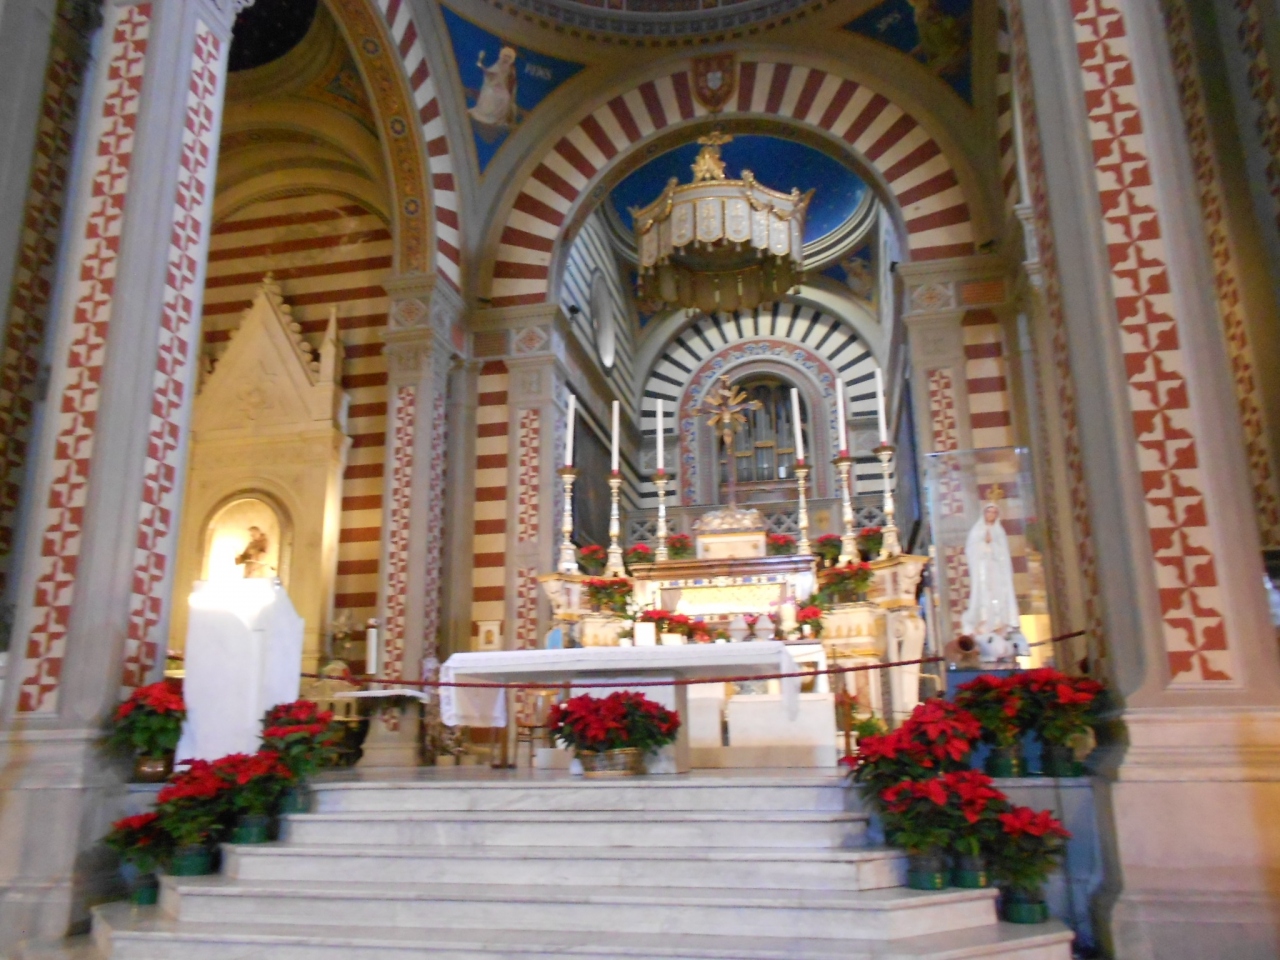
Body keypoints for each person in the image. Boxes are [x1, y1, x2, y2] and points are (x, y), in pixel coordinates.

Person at [960, 502, 1020, 644]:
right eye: (989, 512)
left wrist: (993, 546)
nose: (991, 515)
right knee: (983, 594)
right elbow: (971, 549)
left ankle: (1000, 622)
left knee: (998, 595)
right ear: (984, 513)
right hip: (982, 570)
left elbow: (1004, 553)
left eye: (994, 513)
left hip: (996, 570)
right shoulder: (977, 530)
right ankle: (983, 620)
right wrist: (983, 545)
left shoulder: (999, 532)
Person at [469, 46, 518, 133]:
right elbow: (491, 74)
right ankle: (485, 113)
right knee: (490, 92)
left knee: (505, 97)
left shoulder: (510, 69)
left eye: (509, 57)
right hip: (492, 86)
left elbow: (510, 81)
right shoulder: (497, 65)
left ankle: (497, 118)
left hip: (502, 88)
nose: (506, 58)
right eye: (505, 56)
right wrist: (485, 70)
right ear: (501, 56)